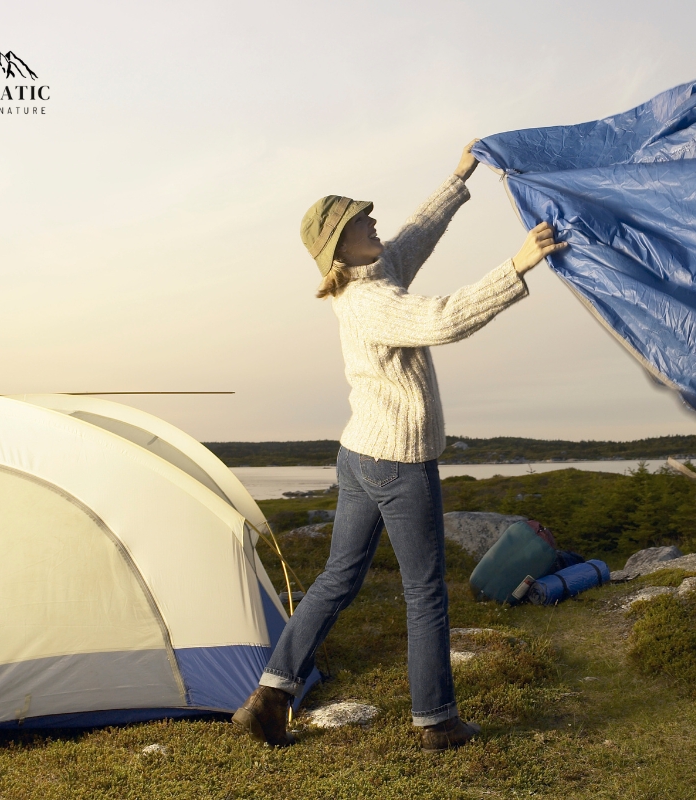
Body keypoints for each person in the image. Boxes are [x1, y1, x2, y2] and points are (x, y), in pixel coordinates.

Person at [232, 141, 564, 751]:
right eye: (363, 221)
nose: (374, 220)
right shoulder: (370, 301)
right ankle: (436, 721)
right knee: (425, 592)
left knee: (337, 578)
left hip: (359, 455)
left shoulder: (372, 273)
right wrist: (514, 267)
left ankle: (272, 696)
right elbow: (442, 318)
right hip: (398, 463)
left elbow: (417, 231)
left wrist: (458, 178)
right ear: (341, 245)